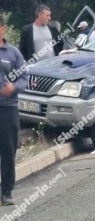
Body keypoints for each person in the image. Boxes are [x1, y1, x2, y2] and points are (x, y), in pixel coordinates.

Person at [0, 15, 29, 206]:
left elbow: (24, 77)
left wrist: (14, 88)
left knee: (8, 151)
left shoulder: (13, 53)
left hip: (7, 108)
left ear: (2, 29)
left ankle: (6, 192)